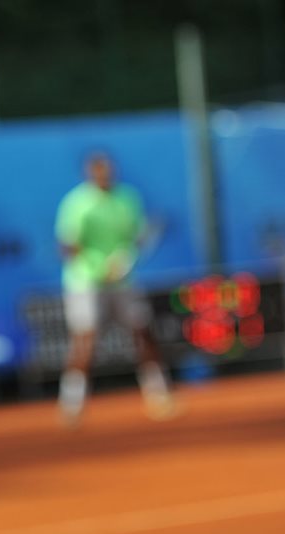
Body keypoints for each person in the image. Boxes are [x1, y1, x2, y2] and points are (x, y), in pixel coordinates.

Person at [54, 151, 176, 426]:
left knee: (143, 333)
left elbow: (137, 237)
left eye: (107, 170)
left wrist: (122, 262)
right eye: (98, 171)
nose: (104, 175)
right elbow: (68, 246)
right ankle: (72, 404)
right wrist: (99, 269)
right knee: (85, 340)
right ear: (89, 173)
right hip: (85, 282)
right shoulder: (77, 203)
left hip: (123, 281)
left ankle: (159, 395)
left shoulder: (128, 198)